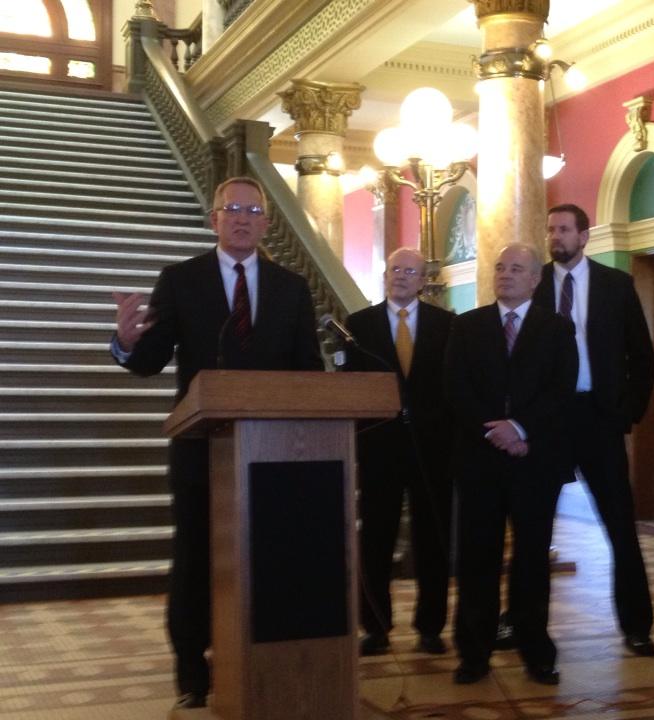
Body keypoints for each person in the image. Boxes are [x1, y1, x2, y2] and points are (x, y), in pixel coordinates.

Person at [111, 176, 322, 710]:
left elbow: (308, 370)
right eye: (232, 209)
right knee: (195, 558)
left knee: (269, 558)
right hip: (200, 449)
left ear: (266, 223)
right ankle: (192, 670)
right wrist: (125, 343)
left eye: (252, 211)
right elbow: (150, 360)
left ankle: (262, 657)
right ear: (214, 220)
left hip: (273, 450)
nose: (242, 219)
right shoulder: (181, 279)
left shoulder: (292, 287)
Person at [499, 203, 654, 656]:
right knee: (532, 528)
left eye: (565, 229)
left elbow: (641, 357)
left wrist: (626, 414)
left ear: (584, 236)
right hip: (544, 420)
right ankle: (521, 621)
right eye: (551, 229)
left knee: (620, 525)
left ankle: (637, 625)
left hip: (599, 418)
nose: (556, 237)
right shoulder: (535, 285)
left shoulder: (616, 285)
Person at [443, 244, 577, 685]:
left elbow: (561, 389)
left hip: (534, 461)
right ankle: (474, 654)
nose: (505, 274)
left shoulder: (557, 328)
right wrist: (495, 432)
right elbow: (456, 388)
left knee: (532, 559)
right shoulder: (468, 325)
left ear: (535, 278)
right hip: (480, 460)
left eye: (516, 268)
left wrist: (520, 429)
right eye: (500, 267)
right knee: (477, 558)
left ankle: (535, 651)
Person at [344, 248, 455, 657]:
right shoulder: (359, 325)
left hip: (433, 450)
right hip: (380, 448)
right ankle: (375, 627)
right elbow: (350, 385)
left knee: (433, 540)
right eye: (395, 269)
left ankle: (431, 627)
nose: (401, 276)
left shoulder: (447, 324)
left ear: (423, 281)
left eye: (410, 271)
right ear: (385, 275)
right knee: (376, 538)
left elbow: (454, 385)